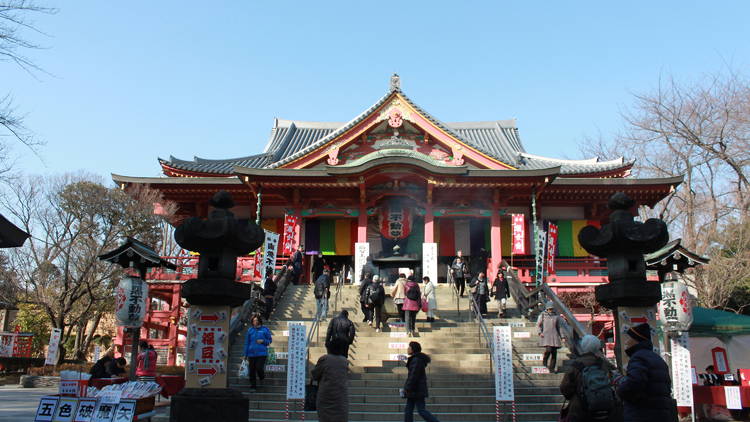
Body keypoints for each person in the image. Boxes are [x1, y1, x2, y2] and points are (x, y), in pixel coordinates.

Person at [615, 323, 676, 422]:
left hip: (641, 413)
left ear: (636, 341)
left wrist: (620, 391)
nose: (626, 342)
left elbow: (634, 383)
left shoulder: (638, 358)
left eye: (629, 338)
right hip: (661, 414)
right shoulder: (658, 359)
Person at [560, 335, 618, 422]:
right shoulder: (604, 364)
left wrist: (575, 396)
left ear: (583, 346)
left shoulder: (576, 365)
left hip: (580, 409)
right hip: (604, 409)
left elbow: (564, 387)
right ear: (598, 347)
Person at [403, 341, 440, 422]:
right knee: (409, 410)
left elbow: (413, 375)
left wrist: (407, 387)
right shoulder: (416, 359)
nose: (407, 349)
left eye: (409, 347)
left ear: (413, 349)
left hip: (416, 390)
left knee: (420, 410)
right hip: (415, 390)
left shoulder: (416, 360)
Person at [312, 351, 349, 422]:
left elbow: (315, 375)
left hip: (326, 396)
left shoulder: (324, 359)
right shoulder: (344, 361)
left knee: (325, 418)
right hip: (341, 396)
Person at [243, 314, 273, 391]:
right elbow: (247, 342)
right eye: (253, 321)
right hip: (251, 353)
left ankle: (262, 377)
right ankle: (253, 386)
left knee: (259, 368)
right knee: (252, 370)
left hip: (262, 353)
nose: (255, 322)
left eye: (256, 320)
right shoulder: (250, 330)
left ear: (259, 321)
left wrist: (263, 341)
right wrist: (245, 354)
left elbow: (269, 340)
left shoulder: (265, 329)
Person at [537, 301, 565, 373]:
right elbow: (538, 325)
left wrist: (562, 337)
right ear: (546, 309)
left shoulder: (556, 316)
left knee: (554, 353)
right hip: (546, 335)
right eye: (549, 309)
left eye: (552, 309)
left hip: (555, 336)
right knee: (548, 350)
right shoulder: (542, 315)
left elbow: (559, 327)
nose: (550, 310)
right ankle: (545, 360)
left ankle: (551, 368)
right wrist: (540, 332)